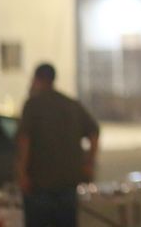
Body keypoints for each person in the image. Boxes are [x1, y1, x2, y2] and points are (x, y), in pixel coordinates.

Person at [16, 63, 99, 227]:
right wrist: (89, 164)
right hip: (68, 183)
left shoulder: (32, 105)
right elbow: (94, 133)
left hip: (39, 184)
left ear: (37, 79)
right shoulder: (71, 104)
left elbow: (24, 140)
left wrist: (22, 173)